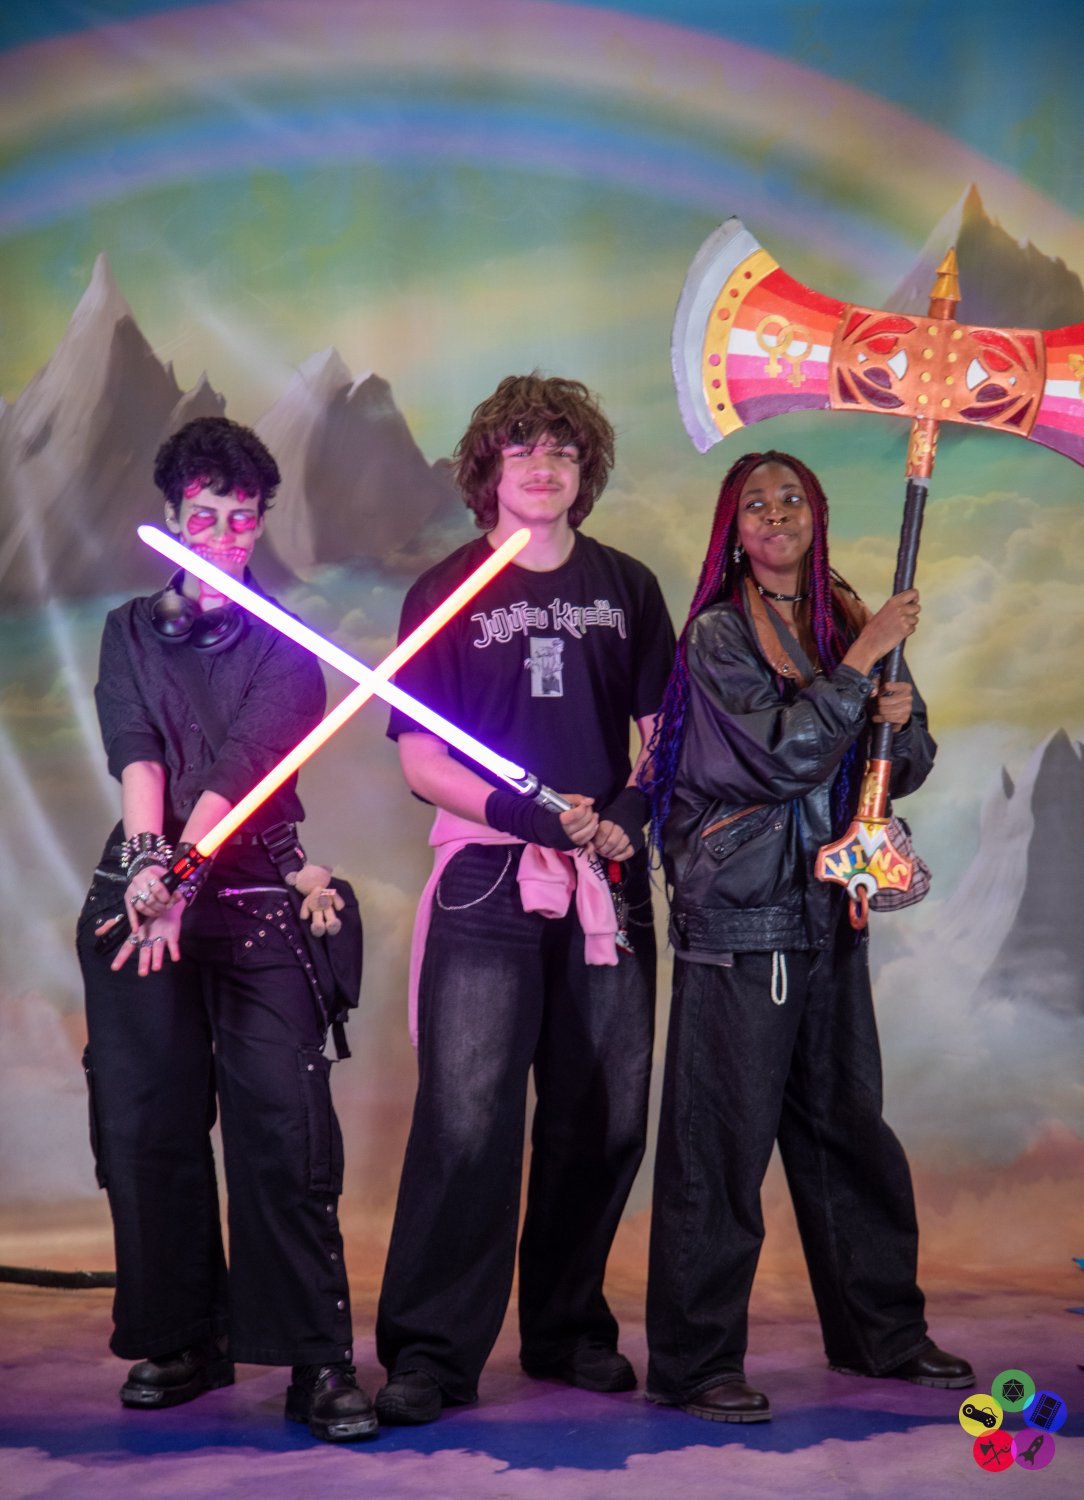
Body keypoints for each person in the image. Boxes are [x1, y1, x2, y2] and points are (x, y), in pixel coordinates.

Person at [642, 450, 973, 1422]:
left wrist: (899, 721)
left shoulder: (840, 615)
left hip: (830, 907)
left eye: (791, 498)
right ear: (733, 529)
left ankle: (881, 1334)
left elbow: (899, 769)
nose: (776, 513)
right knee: (720, 1143)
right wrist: (863, 664)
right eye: (756, 503)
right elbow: (780, 758)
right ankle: (696, 1362)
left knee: (846, 1133)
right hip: (743, 917)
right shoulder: (718, 633)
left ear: (816, 514)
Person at [374, 374, 675, 1424]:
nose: (542, 465)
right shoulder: (443, 592)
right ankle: (430, 1353)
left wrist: (630, 809)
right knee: (467, 1119)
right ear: (487, 469)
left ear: (584, 469)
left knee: (603, 1118)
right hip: (489, 873)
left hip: (607, 877)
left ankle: (566, 1329)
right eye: (521, 448)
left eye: (561, 449)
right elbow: (421, 760)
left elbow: (661, 734)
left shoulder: (627, 586)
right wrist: (525, 812)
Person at [76, 416, 376, 1442]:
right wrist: (148, 869)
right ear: (171, 518)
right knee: (147, 1124)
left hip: (249, 896)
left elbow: (241, 773)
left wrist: (184, 871)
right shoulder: (128, 630)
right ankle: (183, 1338)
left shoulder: (293, 649)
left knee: (285, 1130)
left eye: (241, 520)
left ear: (260, 523)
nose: (221, 538)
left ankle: (314, 1357)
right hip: (141, 894)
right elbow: (138, 752)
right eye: (202, 518)